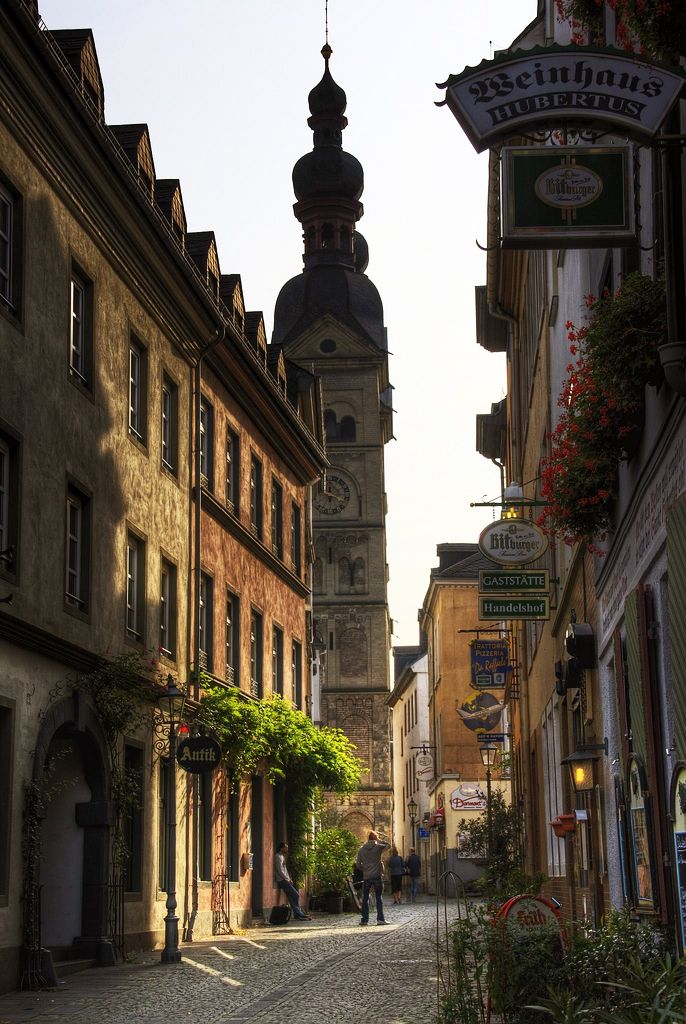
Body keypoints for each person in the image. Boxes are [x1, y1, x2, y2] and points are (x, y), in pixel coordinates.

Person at [356, 830, 389, 926]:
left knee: (365, 898)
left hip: (366, 876)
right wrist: (379, 840)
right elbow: (389, 846)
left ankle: (364, 920)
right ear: (375, 838)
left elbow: (358, 865)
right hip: (377, 876)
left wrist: (365, 869)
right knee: (379, 897)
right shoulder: (378, 847)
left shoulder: (361, 849)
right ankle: (380, 919)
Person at [274, 842, 311, 920]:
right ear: (281, 848)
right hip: (282, 880)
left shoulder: (282, 856)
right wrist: (287, 879)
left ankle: (298, 915)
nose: (287, 849)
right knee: (295, 895)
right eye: (285, 847)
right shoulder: (278, 857)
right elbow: (280, 870)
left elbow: (285, 870)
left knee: (291, 897)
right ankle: (299, 913)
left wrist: (289, 879)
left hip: (285, 879)